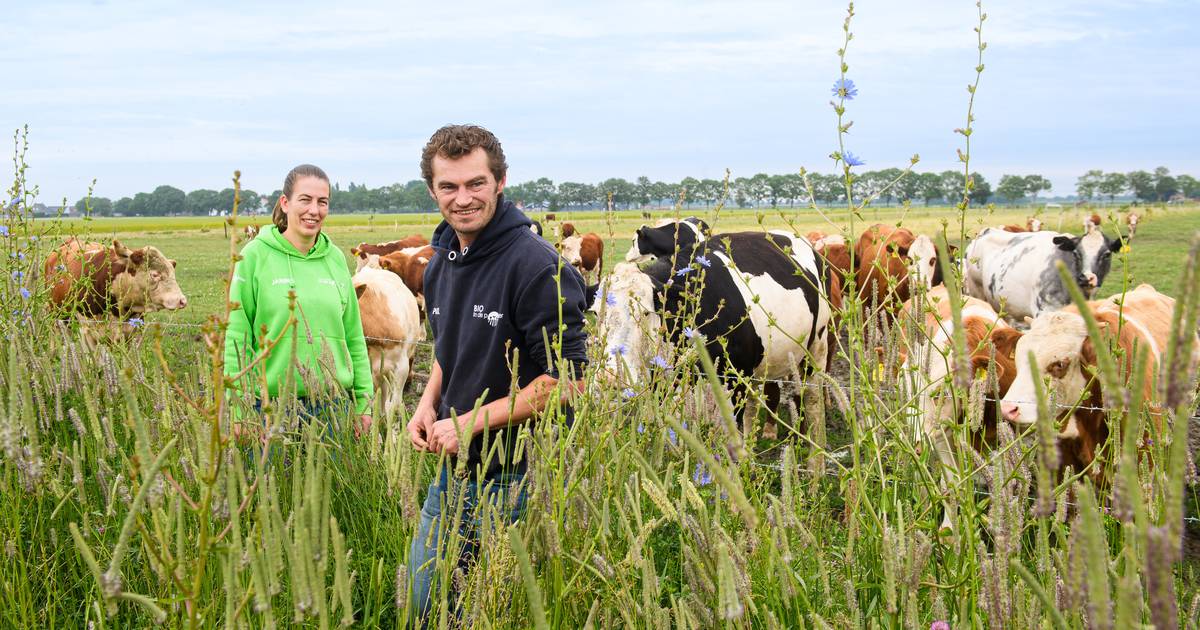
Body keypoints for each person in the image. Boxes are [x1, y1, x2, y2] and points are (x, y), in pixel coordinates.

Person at [405, 125, 588, 622]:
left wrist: (469, 422)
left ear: (500, 181)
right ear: (432, 190)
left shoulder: (535, 267)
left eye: (475, 184)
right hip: (454, 469)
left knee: (492, 610)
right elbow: (452, 346)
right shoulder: (442, 261)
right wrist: (427, 403)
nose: (462, 199)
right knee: (425, 602)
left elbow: (567, 380)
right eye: (449, 187)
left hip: (520, 475)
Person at [223, 164, 372, 441]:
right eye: (305, 200)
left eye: (322, 202)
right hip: (269, 408)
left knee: (332, 485)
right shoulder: (254, 257)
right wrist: (239, 411)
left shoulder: (336, 259)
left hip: (333, 407)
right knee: (273, 483)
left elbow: (353, 336)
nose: (314, 210)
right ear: (285, 202)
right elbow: (236, 336)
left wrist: (364, 403)